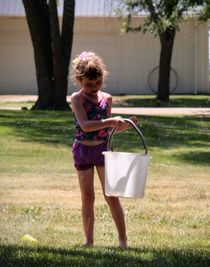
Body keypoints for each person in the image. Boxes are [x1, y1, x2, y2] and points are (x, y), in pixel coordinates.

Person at [70, 51, 136, 249]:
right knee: (88, 197)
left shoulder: (107, 98)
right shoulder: (76, 99)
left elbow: (106, 128)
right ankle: (89, 241)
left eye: (97, 83)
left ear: (102, 78)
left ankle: (123, 241)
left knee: (111, 196)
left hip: (103, 151)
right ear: (79, 79)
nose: (93, 88)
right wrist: (110, 121)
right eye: (88, 84)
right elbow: (85, 125)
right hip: (83, 151)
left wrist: (123, 125)